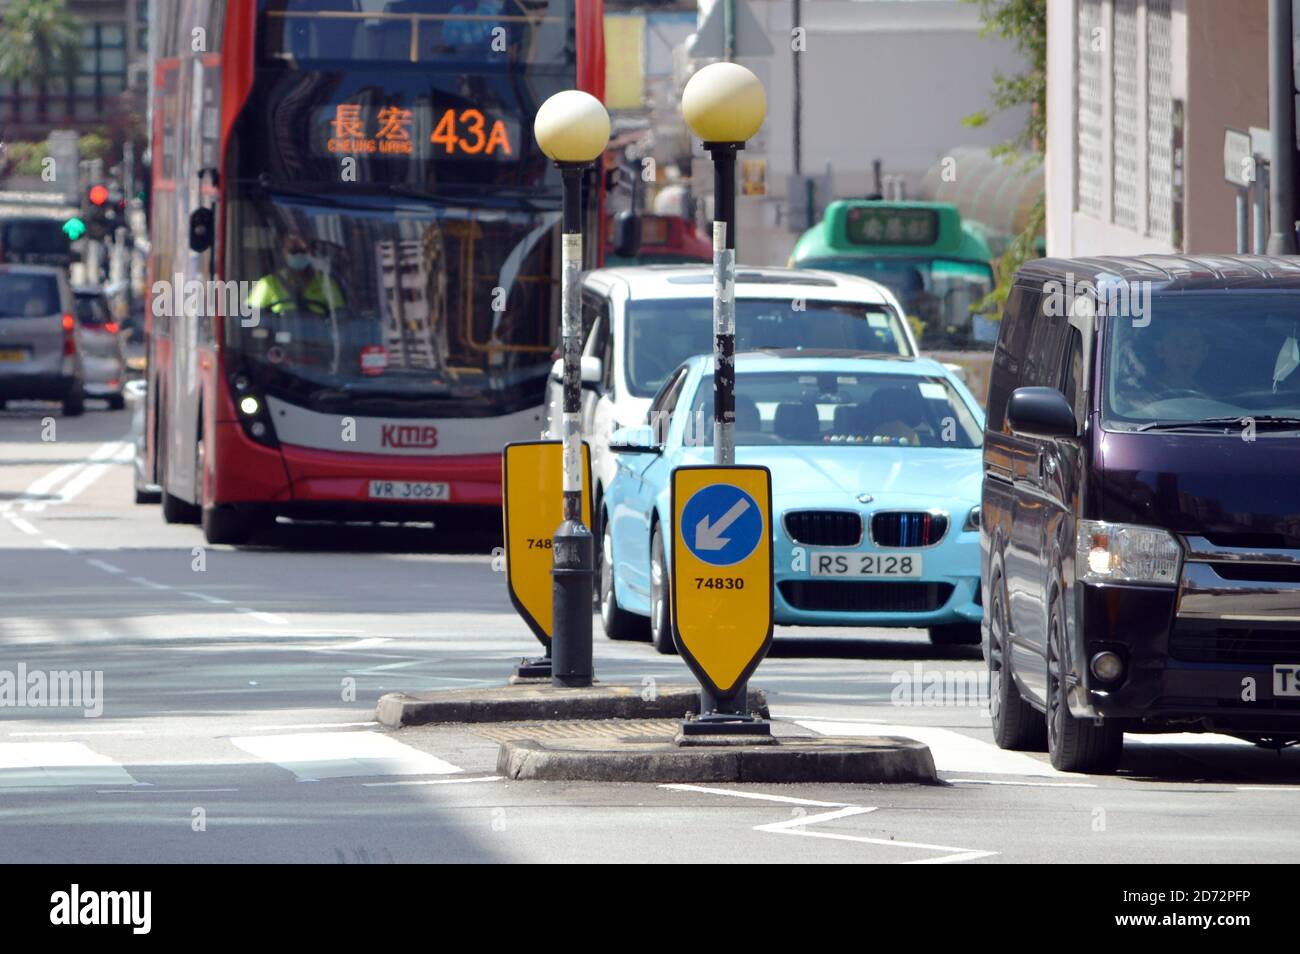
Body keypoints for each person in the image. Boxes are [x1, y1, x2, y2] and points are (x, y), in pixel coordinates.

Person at [247, 233, 346, 319]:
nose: (299, 255)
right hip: (279, 337)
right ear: (284, 253)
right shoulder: (268, 283)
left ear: (310, 253)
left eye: (303, 251)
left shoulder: (325, 281)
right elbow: (249, 315)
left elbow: (340, 315)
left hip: (318, 338)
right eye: (294, 251)